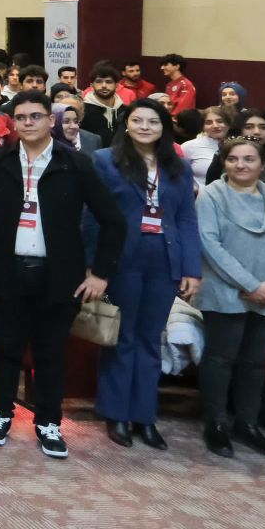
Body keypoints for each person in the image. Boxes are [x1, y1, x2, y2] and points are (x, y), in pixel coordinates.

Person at [0, 90, 125, 459]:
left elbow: (113, 221)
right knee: (5, 348)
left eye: (35, 116)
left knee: (51, 352)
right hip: (5, 271)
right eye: (20, 117)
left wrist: (101, 274)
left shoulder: (76, 163)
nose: (28, 123)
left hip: (59, 276)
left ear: (51, 120)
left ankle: (49, 422)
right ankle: (0, 414)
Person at [90, 98, 201, 449]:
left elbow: (186, 219)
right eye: (137, 120)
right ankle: (116, 414)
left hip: (164, 261)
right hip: (122, 259)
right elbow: (92, 216)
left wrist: (192, 268)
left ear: (164, 128)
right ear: (127, 124)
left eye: (153, 122)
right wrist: (95, 266)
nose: (144, 127)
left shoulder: (178, 167)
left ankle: (144, 416)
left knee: (151, 339)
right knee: (122, 337)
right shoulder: (105, 161)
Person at [196, 135, 265, 459]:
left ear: (263, 164)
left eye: (249, 159)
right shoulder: (211, 195)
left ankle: (247, 423)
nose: (240, 165)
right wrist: (251, 284)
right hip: (227, 292)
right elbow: (210, 245)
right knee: (220, 359)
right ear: (223, 163)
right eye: (233, 159)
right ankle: (216, 423)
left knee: (256, 363)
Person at [179, 105, 232, 177]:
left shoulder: (238, 145)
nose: (215, 126)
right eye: (208, 123)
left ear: (228, 124)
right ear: (203, 127)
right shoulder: (189, 146)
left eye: (220, 121)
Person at [78, 64, 126, 143]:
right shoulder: (82, 110)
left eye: (109, 82)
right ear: (91, 86)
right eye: (99, 81)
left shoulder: (125, 111)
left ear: (117, 86)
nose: (104, 86)